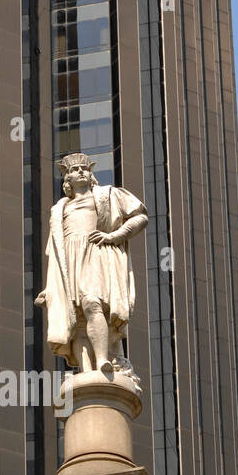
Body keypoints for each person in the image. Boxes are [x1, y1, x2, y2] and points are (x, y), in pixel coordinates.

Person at [35, 152, 148, 375]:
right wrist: (50, 289)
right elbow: (55, 252)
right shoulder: (59, 209)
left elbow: (140, 216)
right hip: (69, 263)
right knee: (75, 319)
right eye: (75, 170)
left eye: (84, 169)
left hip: (96, 254)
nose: (81, 172)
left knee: (92, 303)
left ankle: (104, 359)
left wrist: (115, 236)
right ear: (67, 179)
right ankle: (87, 371)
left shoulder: (108, 194)